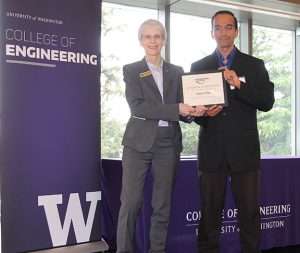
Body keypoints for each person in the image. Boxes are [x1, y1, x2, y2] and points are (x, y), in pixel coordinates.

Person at [116, 19, 205, 253]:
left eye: (157, 36)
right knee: (131, 203)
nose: (153, 41)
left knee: (162, 205)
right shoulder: (132, 70)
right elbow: (138, 108)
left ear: (164, 40)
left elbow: (184, 111)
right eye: (148, 36)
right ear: (140, 41)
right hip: (138, 144)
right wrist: (177, 108)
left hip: (168, 143)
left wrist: (195, 111)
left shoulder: (176, 72)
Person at [190, 10, 275, 253]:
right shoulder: (199, 66)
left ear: (236, 31)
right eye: (218, 28)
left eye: (228, 27)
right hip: (211, 150)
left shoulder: (255, 65)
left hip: (244, 151)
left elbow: (267, 102)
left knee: (249, 212)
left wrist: (239, 84)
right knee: (209, 213)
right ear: (212, 33)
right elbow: (191, 110)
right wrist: (202, 114)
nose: (223, 32)